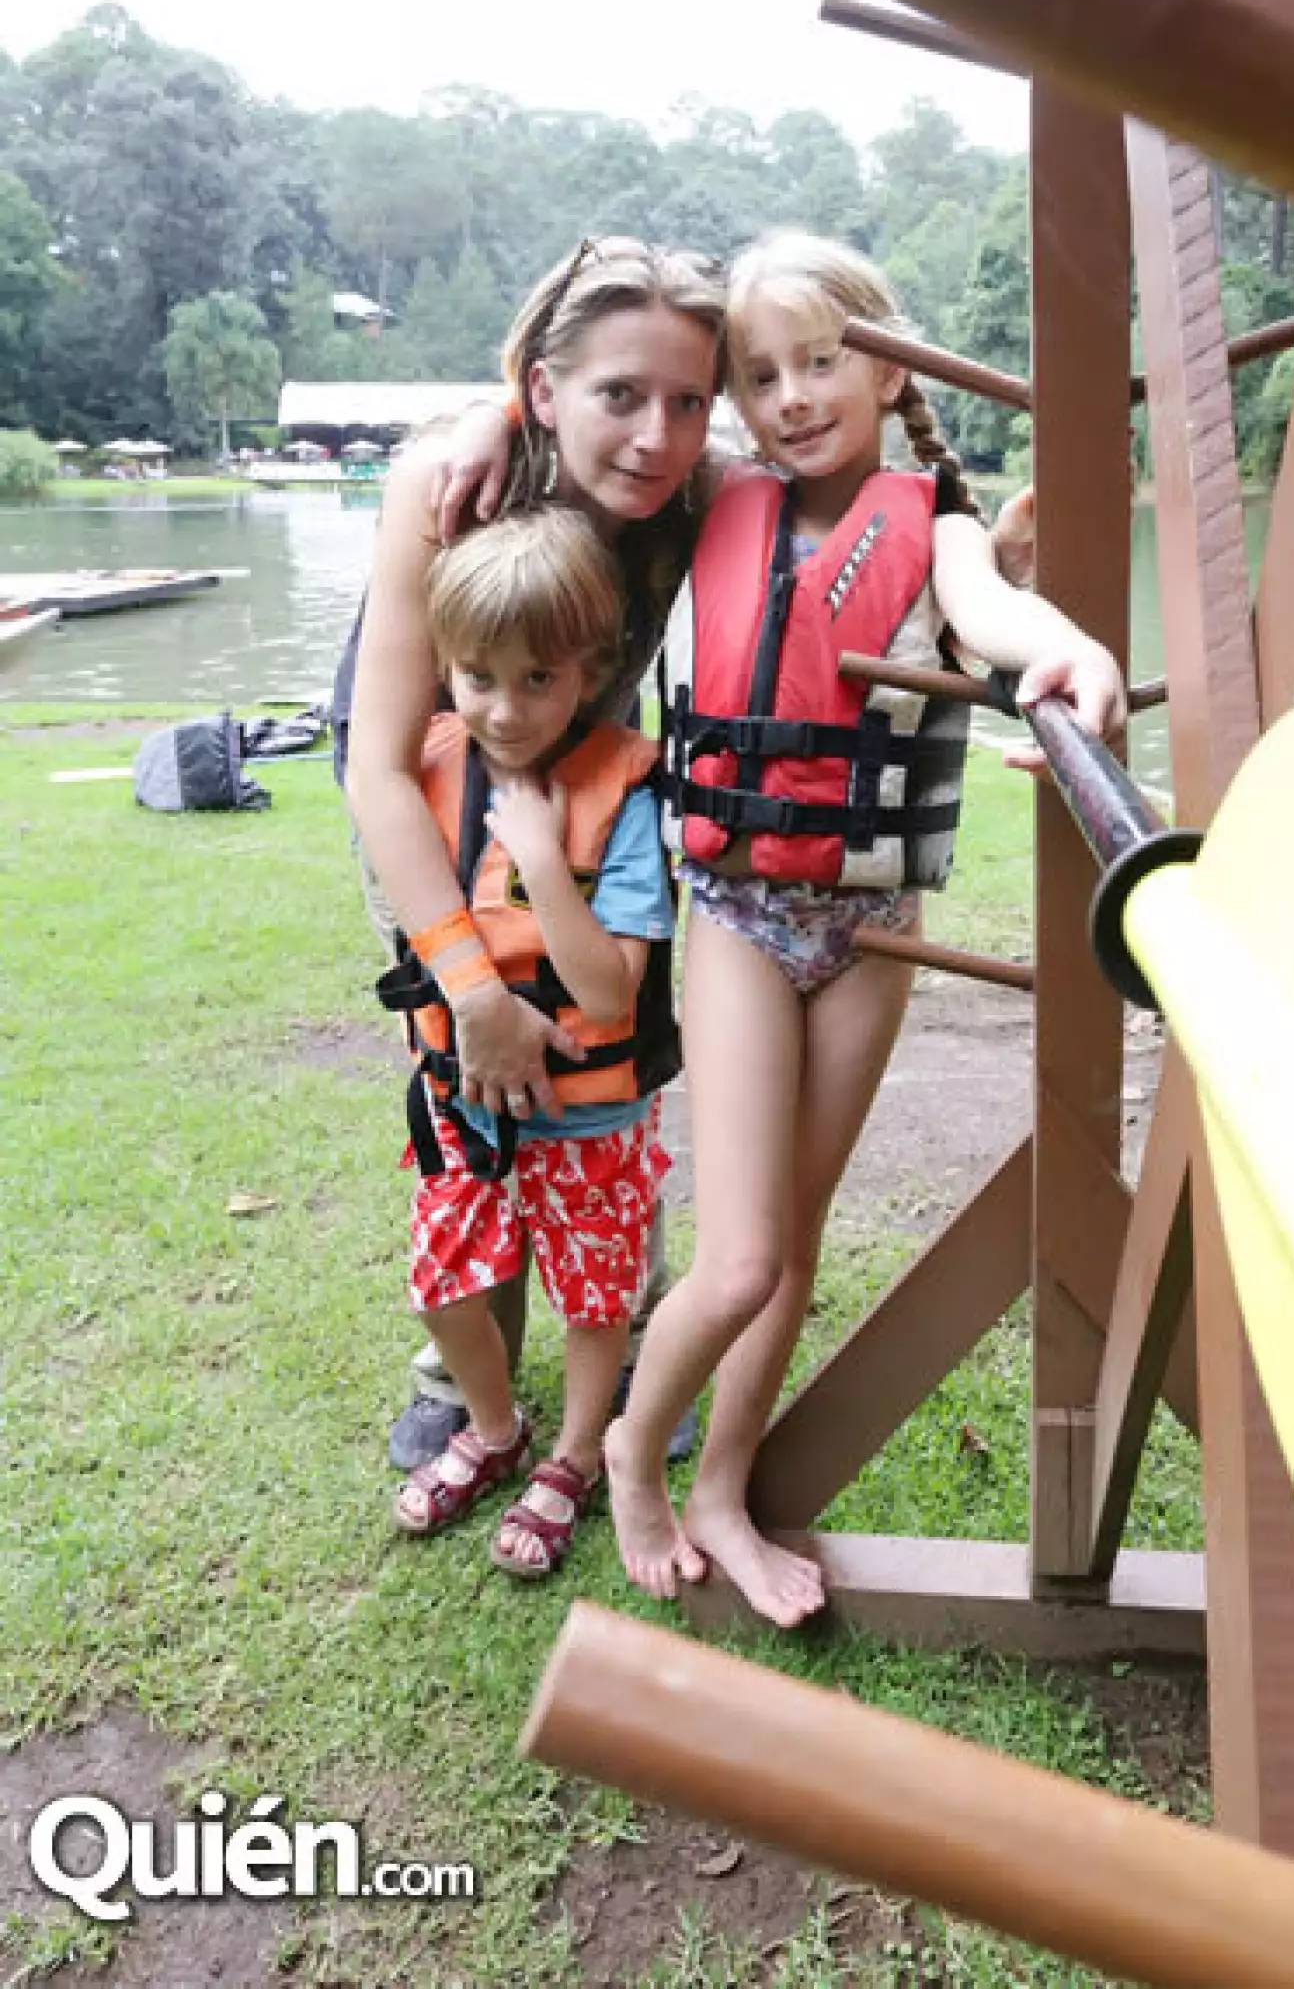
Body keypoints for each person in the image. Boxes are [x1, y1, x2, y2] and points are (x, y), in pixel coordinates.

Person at [601, 232, 1127, 1628]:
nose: (787, 396)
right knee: (743, 1256)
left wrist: (1065, 650)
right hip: (735, 915)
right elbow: (606, 437)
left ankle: (722, 1485)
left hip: (866, 931)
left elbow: (995, 610)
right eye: (758, 374)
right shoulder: (717, 496)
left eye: (819, 362)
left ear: (890, 370)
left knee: (798, 1242)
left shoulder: (938, 526)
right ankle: (627, 1461)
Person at [344, 237, 725, 1470]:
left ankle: (619, 1343)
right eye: (619, 395)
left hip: (590, 802)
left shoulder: (700, 493)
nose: (655, 437)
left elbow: (816, 456)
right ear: (545, 388)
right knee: (473, 1078)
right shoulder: (452, 483)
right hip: (436, 788)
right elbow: (380, 769)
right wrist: (466, 982)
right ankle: (466, 1383)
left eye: (686, 401)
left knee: (611, 1066)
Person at [386, 506, 679, 1577]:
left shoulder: (623, 796)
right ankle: (495, 1429)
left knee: (596, 1296)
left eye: (538, 680)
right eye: (477, 678)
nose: (504, 711)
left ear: (591, 670)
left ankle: (572, 1455)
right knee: (444, 1279)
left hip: (592, 1110)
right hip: (461, 1097)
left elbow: (608, 995)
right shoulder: (421, 763)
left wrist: (544, 861)